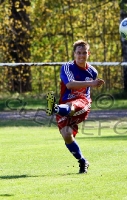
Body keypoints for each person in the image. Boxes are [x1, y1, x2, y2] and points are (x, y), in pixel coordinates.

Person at [46, 40, 105, 174]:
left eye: (84, 53)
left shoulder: (92, 71)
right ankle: (82, 161)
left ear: (88, 54)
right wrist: (92, 83)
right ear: (74, 54)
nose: (81, 56)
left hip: (82, 102)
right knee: (67, 135)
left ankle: (54, 108)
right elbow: (70, 85)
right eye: (78, 53)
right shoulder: (67, 67)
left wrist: (92, 83)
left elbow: (87, 91)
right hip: (64, 104)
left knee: (72, 105)